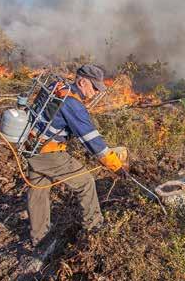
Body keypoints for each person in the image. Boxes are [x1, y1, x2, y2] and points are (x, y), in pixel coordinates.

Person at [25, 64, 127, 248]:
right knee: (86, 182)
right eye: (94, 87)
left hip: (30, 146)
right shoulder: (72, 103)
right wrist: (116, 166)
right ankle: (95, 229)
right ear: (82, 82)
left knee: (39, 190)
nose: (96, 92)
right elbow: (91, 140)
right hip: (49, 152)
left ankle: (39, 237)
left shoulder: (56, 87)